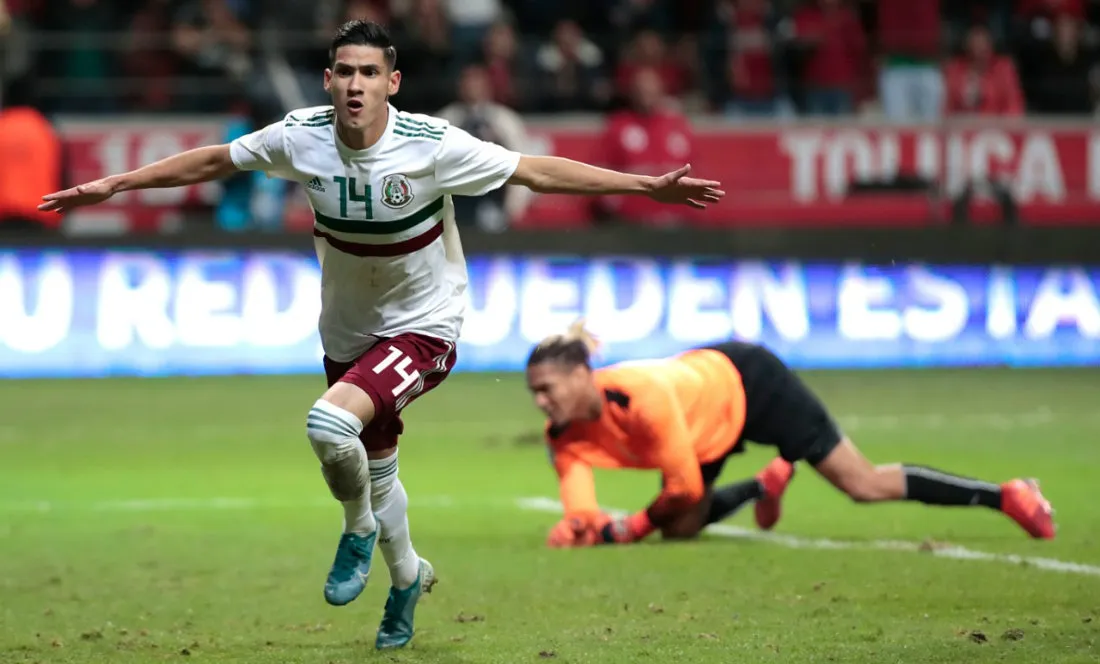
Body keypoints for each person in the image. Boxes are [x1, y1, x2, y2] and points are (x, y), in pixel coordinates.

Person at [37, 20, 725, 650]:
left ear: (392, 82)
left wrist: (643, 187)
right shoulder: (301, 136)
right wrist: (114, 186)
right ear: (328, 80)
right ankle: (406, 578)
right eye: (345, 71)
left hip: (425, 327)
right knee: (375, 466)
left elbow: (534, 171)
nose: (355, 84)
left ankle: (357, 529)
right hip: (347, 330)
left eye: (369, 73)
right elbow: (215, 161)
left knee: (328, 424)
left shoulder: (431, 146)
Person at [525, 321, 1055, 548]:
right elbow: (580, 500)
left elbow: (682, 487)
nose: (540, 401)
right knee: (681, 531)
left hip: (749, 382)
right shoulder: (562, 433)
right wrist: (580, 526)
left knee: (862, 484)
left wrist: (628, 528)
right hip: (703, 423)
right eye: (535, 392)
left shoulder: (641, 398)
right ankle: (765, 483)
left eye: (547, 389)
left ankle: (1007, 495)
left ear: (582, 374)